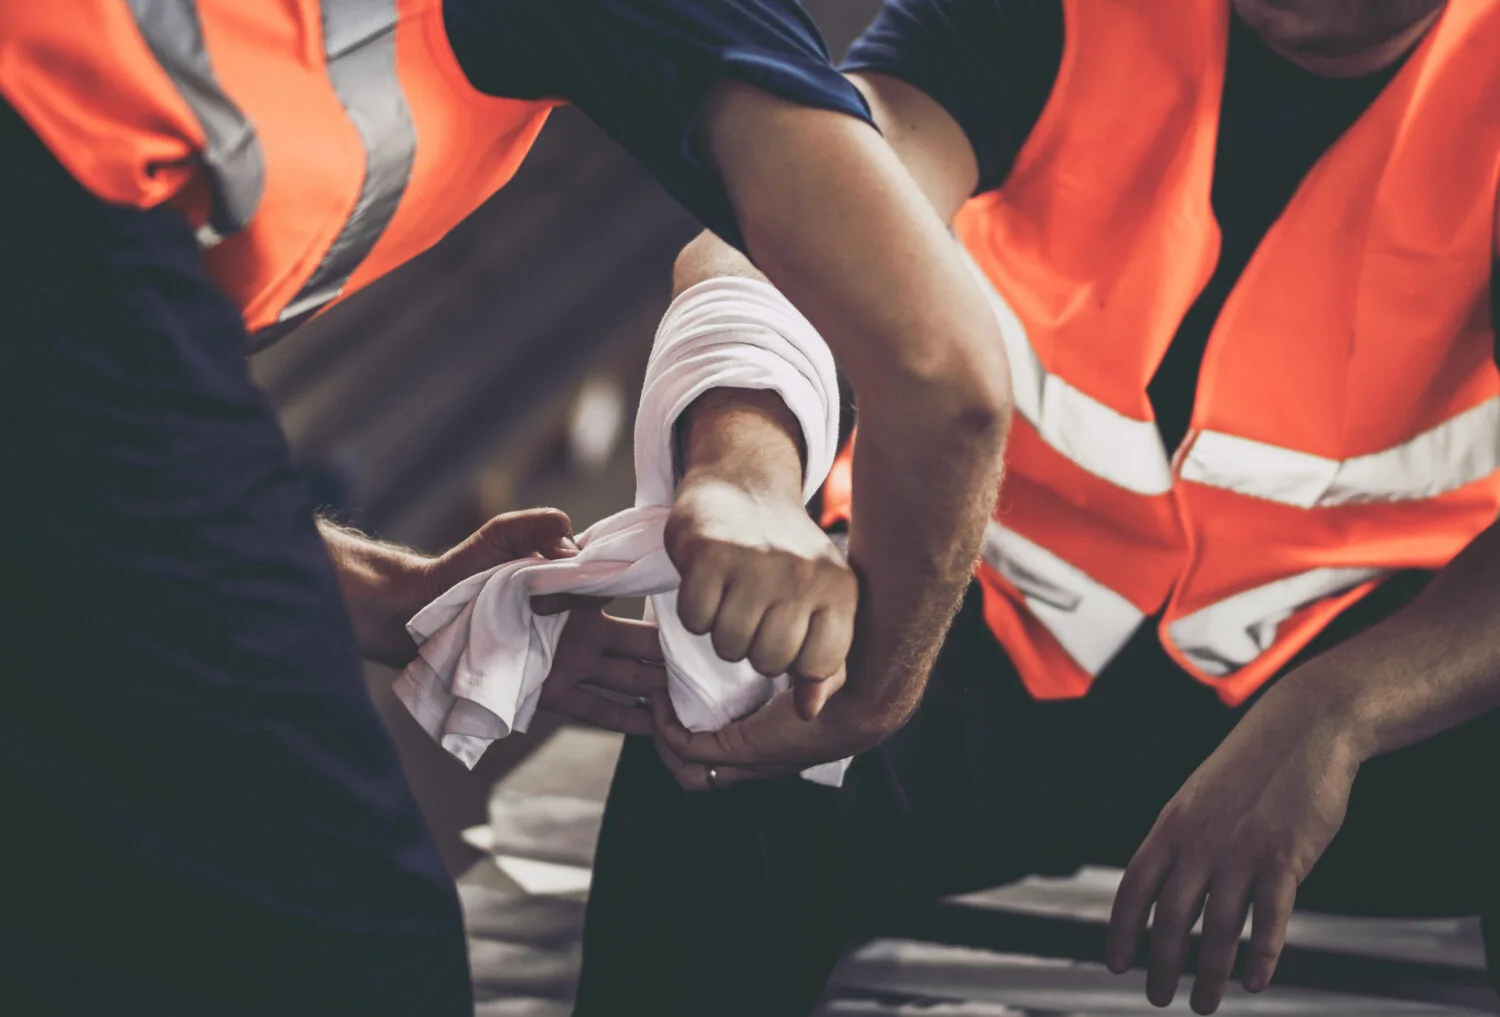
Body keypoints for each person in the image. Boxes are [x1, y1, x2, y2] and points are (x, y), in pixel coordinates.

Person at [0, 1, 1013, 1013]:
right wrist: (873, 692)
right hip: (53, 179)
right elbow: (941, 372)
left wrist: (381, 593)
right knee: (331, 960)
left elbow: (87, 447)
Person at [576, 1, 1500, 1014]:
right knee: (737, 696)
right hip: (988, 611)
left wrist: (1344, 708)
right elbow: (792, 217)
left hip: (1358, 642)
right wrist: (747, 475)